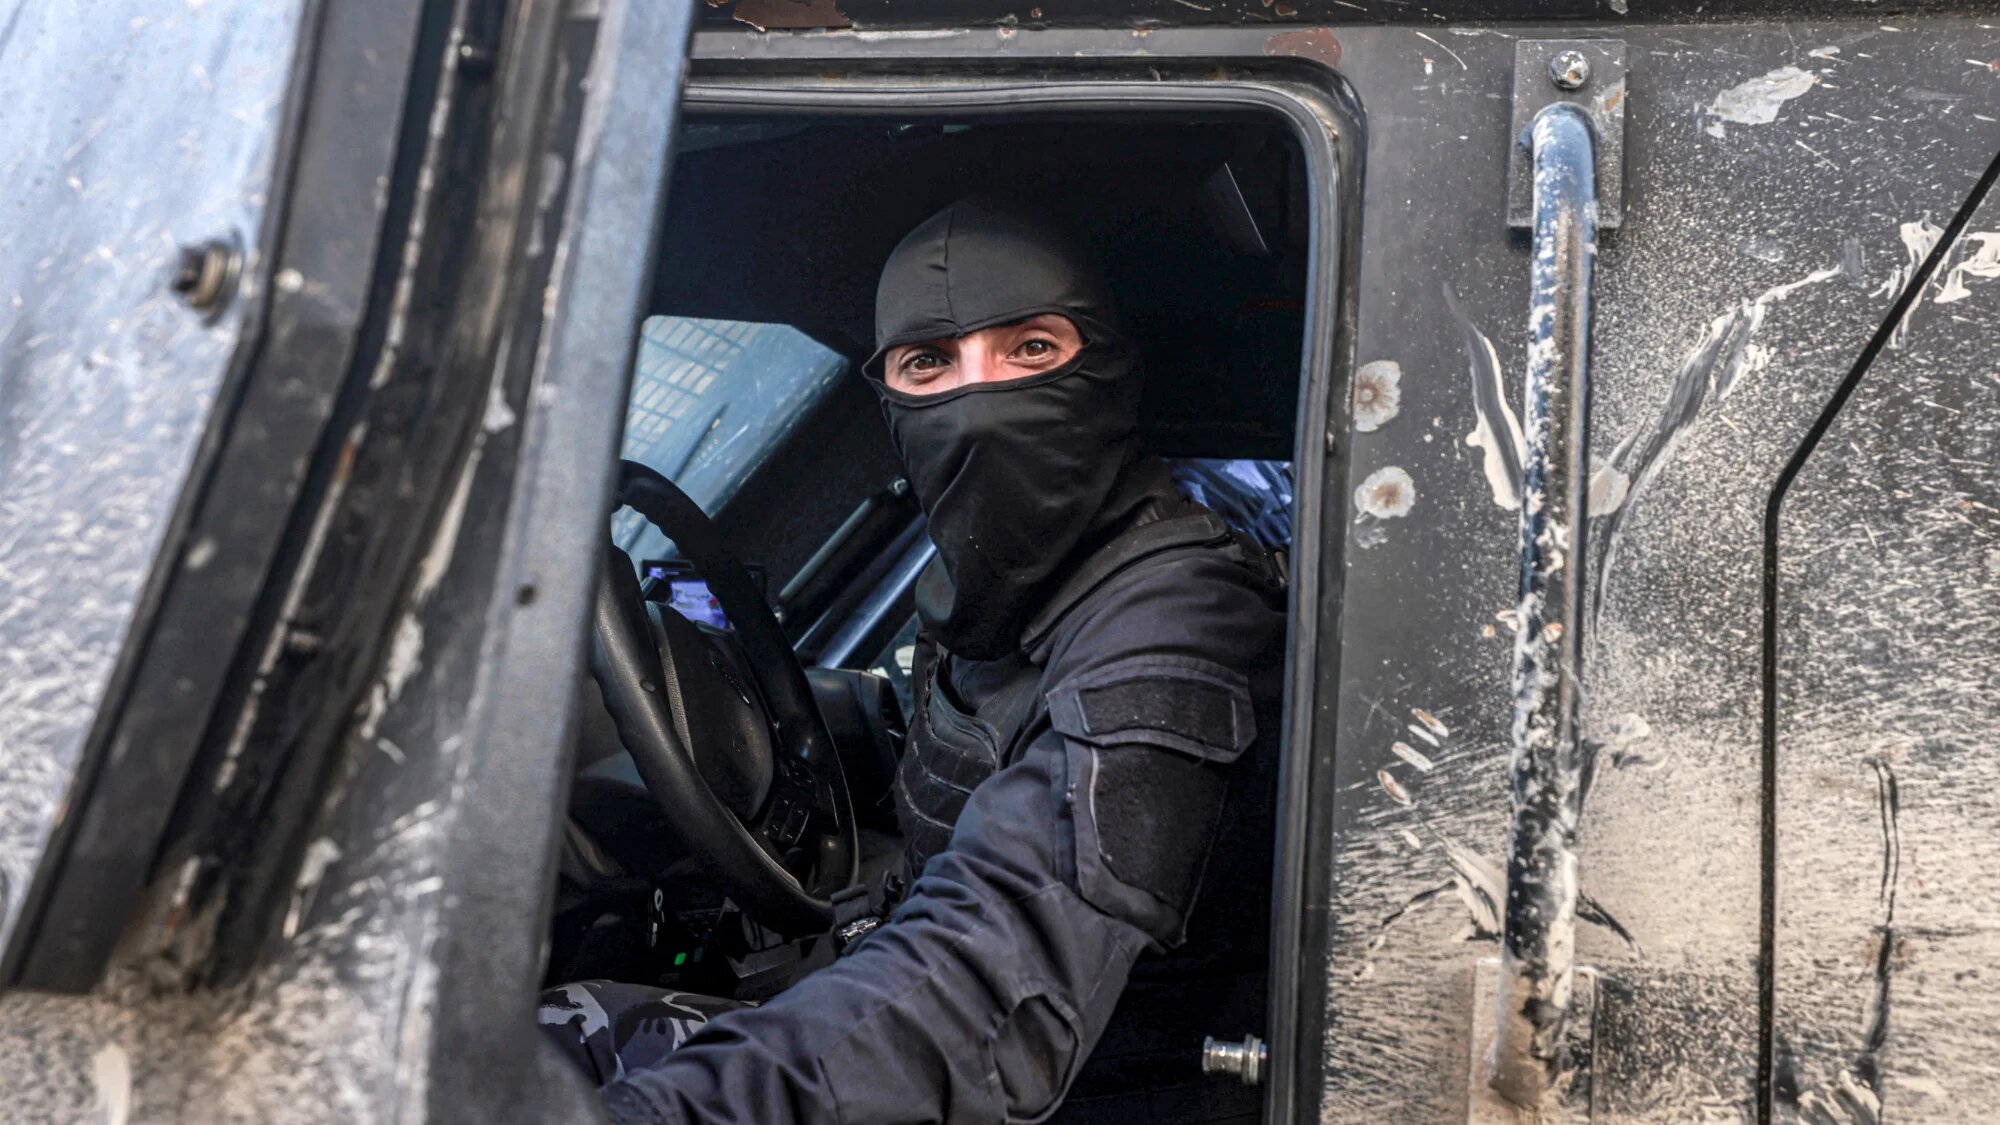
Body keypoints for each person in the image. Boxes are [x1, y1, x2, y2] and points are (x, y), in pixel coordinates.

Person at [540, 197, 1287, 1123]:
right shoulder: (995, 586)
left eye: (1030, 350)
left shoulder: (1176, 624)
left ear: (1110, 369)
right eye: (930, 364)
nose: (976, 405)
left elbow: (987, 994)